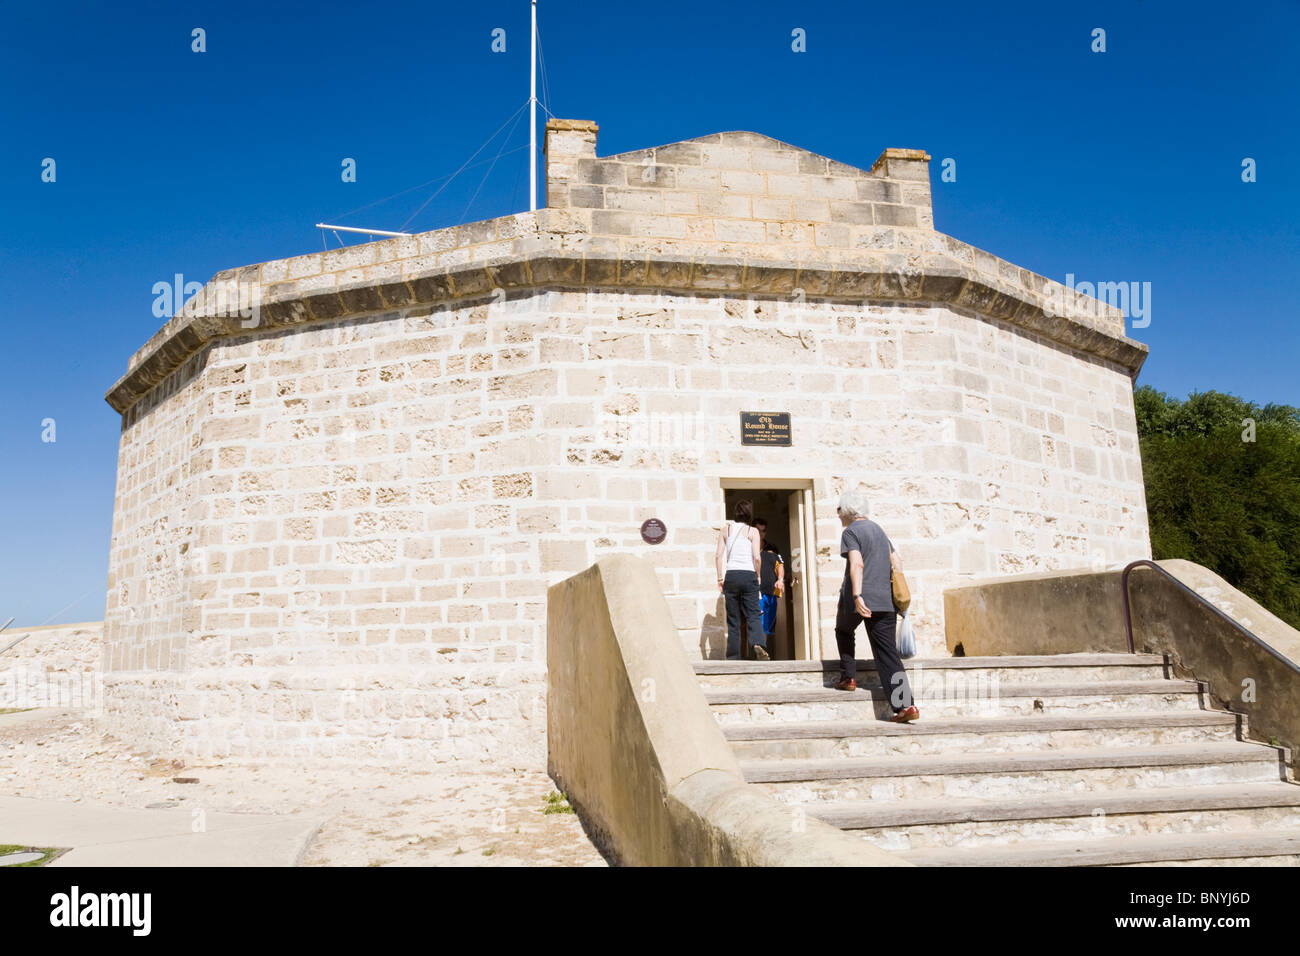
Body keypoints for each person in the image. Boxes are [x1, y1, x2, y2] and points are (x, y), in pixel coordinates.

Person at [832, 490, 918, 722]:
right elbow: (897, 562)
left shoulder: (851, 532)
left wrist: (858, 595)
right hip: (885, 600)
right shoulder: (879, 530)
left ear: (848, 511)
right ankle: (905, 706)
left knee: (843, 630)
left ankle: (848, 677)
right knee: (887, 653)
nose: (838, 515)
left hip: (859, 597)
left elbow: (856, 564)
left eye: (839, 510)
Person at [715, 500, 769, 661]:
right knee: (753, 614)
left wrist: (720, 577)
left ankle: (733, 656)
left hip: (731, 575)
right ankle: (758, 643)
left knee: (733, 618)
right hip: (748, 575)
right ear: (749, 514)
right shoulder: (752, 531)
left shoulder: (726, 530)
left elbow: (718, 555)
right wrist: (758, 575)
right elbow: (757, 557)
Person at [754, 518, 784, 647]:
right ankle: (758, 650)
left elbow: (780, 565)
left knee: (768, 624)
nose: (761, 534)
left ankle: (764, 652)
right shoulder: (748, 547)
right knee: (758, 623)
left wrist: (780, 579)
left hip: (771, 591)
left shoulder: (772, 548)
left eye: (763, 531)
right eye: (758, 530)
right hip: (755, 591)